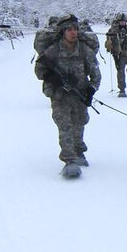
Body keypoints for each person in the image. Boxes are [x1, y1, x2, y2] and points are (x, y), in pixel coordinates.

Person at [34, 13, 101, 172]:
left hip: (80, 94)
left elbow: (96, 74)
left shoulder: (84, 50)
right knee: (64, 125)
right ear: (62, 32)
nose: (73, 32)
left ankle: (79, 152)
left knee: (80, 122)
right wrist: (53, 78)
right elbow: (39, 70)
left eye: (75, 29)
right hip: (60, 96)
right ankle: (69, 160)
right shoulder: (53, 50)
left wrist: (91, 90)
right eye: (69, 29)